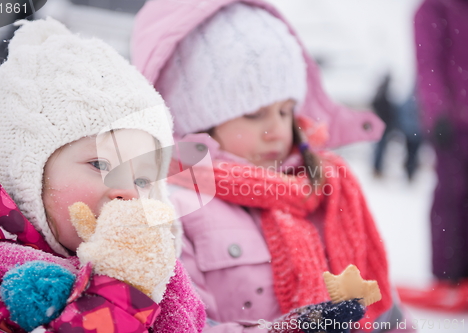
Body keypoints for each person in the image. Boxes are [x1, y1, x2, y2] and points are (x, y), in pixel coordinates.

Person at [131, 0, 414, 331]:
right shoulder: (172, 207)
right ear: (195, 119)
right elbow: (184, 325)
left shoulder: (325, 187)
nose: (277, 131)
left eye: (285, 111)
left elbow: (383, 309)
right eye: (254, 114)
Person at [0, 18, 205, 332]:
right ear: (23, 179)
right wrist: (122, 291)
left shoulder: (159, 279)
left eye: (143, 181)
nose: (129, 193)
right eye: (101, 165)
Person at [396, 0, 468, 311]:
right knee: (453, 196)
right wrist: (437, 110)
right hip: (455, 123)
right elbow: (430, 63)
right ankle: (449, 275)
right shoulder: (434, 8)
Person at [372, 74, 422, 181]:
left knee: (409, 153)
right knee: (411, 154)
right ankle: (409, 173)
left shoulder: (382, 95)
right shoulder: (413, 99)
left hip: (404, 129)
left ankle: (379, 169)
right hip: (412, 130)